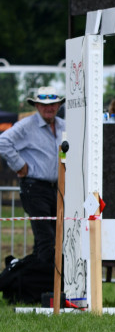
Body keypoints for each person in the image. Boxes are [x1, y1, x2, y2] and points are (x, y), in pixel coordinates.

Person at [0, 86, 64, 267]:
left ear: (59, 105)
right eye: (44, 104)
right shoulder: (26, 126)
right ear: (36, 105)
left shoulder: (64, 126)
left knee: (53, 238)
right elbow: (3, 142)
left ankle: (32, 283)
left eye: (52, 104)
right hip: (34, 188)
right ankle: (48, 283)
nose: (49, 108)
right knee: (47, 240)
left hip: (57, 189)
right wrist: (20, 165)